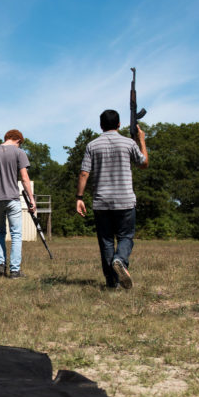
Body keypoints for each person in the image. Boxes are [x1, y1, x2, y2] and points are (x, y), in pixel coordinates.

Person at [75, 110, 149, 289]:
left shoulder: (92, 145)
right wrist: (142, 140)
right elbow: (144, 163)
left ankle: (112, 282)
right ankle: (120, 259)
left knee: (106, 241)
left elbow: (84, 173)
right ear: (119, 125)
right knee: (126, 237)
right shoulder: (128, 143)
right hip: (125, 200)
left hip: (102, 201)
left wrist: (79, 197)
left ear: (101, 126)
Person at [0, 129, 35, 278]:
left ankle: (0, 265)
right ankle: (15, 270)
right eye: (20, 144)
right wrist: (31, 199)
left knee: (0, 232)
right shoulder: (19, 153)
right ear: (18, 140)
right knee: (16, 234)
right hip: (12, 199)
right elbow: (24, 178)